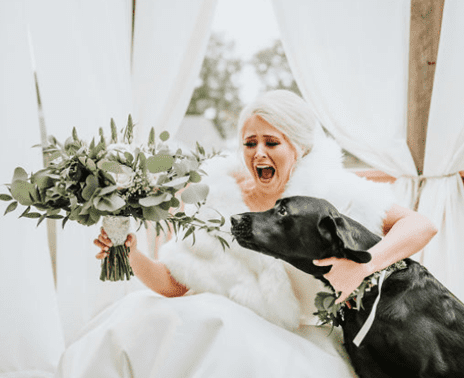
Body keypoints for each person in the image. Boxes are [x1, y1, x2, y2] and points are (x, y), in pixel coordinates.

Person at [60, 90, 437, 377]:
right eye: (250, 143)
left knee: (217, 329)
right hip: (225, 331)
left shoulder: (330, 195)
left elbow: (422, 225)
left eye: (272, 143)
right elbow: (173, 284)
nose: (259, 153)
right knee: (140, 312)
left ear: (299, 148)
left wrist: (363, 267)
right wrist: (129, 253)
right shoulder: (217, 196)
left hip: (302, 345)